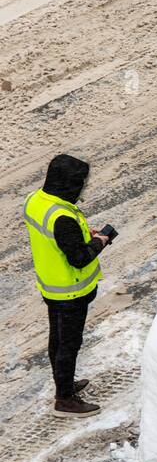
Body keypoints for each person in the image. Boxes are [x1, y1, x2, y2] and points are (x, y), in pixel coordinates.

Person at [23, 155, 114, 416]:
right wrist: (101, 241)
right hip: (70, 291)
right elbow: (79, 258)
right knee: (68, 344)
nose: (83, 188)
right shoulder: (62, 216)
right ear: (69, 184)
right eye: (81, 183)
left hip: (51, 285)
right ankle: (64, 400)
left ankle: (64, 384)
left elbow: (55, 238)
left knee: (58, 339)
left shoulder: (36, 200)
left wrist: (84, 235)